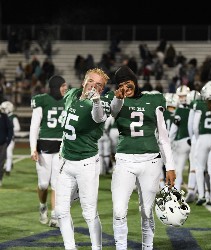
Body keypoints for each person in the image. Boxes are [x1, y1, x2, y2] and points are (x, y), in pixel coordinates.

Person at [55, 68, 124, 250]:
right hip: (66, 161)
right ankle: (70, 247)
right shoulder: (72, 94)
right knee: (60, 211)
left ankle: (97, 248)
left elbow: (98, 116)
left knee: (89, 213)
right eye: (91, 81)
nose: (94, 86)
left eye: (99, 85)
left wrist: (95, 100)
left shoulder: (102, 102)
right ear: (84, 82)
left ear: (103, 89)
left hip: (86, 163)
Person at [109, 65, 176, 250]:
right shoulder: (116, 99)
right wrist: (117, 98)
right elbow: (113, 111)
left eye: (127, 82)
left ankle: (148, 247)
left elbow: (163, 136)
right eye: (120, 84)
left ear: (135, 81)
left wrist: (170, 165)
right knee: (119, 210)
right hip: (124, 160)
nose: (125, 86)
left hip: (151, 161)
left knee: (147, 211)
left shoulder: (153, 99)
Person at [29, 75, 68, 228]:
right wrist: (33, 148)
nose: (65, 88)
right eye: (63, 85)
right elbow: (34, 126)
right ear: (56, 86)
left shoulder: (68, 100)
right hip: (44, 146)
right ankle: (42, 205)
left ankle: (55, 216)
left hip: (61, 146)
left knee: (57, 184)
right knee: (43, 184)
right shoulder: (42, 100)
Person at [193, 80, 211, 206]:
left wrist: (198, 138)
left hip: (203, 138)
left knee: (199, 168)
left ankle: (202, 195)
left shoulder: (200, 105)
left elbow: (195, 126)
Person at [1, 101, 21, 176]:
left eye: (4, 109)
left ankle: (8, 169)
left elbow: (17, 127)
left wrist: (9, 129)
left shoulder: (13, 117)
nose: (3, 110)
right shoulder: (3, 117)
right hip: (2, 139)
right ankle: (7, 166)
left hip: (9, 139)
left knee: (9, 154)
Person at [0, 107, 13, 187]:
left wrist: (7, 142)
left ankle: (0, 179)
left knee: (1, 163)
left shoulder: (4, 117)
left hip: (2, 144)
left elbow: (10, 129)